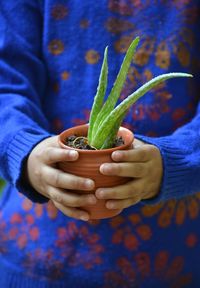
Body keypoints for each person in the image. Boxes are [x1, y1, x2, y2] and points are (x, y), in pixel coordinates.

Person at [0, 0, 200, 287]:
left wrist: (179, 160)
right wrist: (25, 151)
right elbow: (4, 83)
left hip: (172, 265)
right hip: (32, 260)